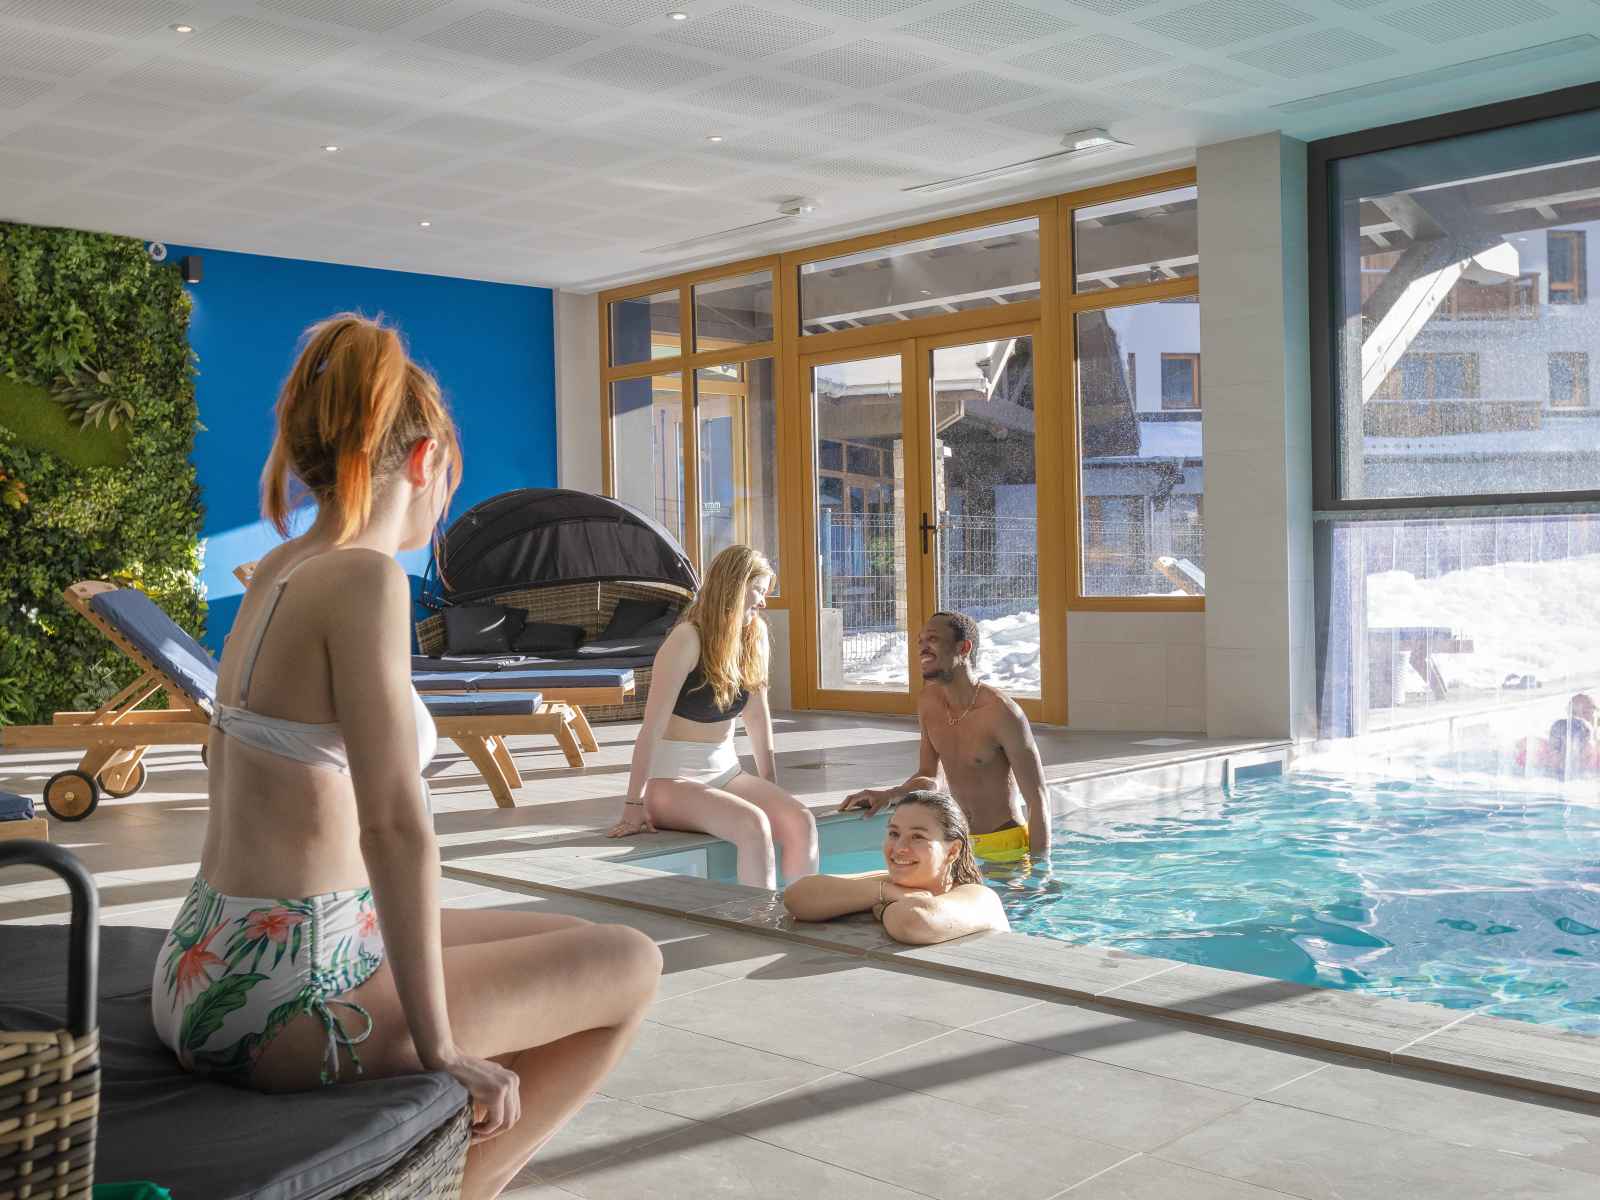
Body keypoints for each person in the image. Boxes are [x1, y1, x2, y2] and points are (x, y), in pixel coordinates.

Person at [151, 314, 661, 1200]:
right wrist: (441, 1045)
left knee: (575, 942)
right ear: (425, 462)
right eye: (448, 480)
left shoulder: (281, 568)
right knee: (631, 962)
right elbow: (393, 825)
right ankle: (464, 1188)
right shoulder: (365, 577)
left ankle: (452, 1169)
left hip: (208, 958)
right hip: (283, 999)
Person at [607, 545, 818, 889]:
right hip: (670, 781)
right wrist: (634, 802)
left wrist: (769, 784)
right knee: (752, 825)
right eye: (759, 591)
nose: (764, 602)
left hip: (726, 773)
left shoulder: (754, 636)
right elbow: (651, 728)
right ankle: (759, 918)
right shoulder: (687, 639)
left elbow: (757, 718)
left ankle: (807, 907)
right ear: (734, 587)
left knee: (801, 821)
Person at [840, 611, 1051, 862]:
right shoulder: (928, 703)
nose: (923, 648)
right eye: (920, 641)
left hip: (1004, 845)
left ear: (964, 648)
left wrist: (1040, 869)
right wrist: (890, 795)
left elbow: (1038, 799)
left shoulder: (1002, 713)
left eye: (933, 639)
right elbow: (931, 778)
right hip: (956, 844)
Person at [783, 790, 1009, 944]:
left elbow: (915, 921)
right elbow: (797, 897)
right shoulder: (889, 884)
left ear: (952, 851)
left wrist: (882, 906)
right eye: (894, 833)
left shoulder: (981, 897)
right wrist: (885, 892)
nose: (899, 847)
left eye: (918, 837)